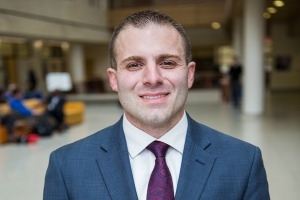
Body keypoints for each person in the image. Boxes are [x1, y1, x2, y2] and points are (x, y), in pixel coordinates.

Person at [43, 10, 270, 199]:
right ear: (114, 79)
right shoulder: (66, 166)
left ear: (190, 74)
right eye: (134, 65)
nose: (153, 78)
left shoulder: (243, 162)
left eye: (168, 62)